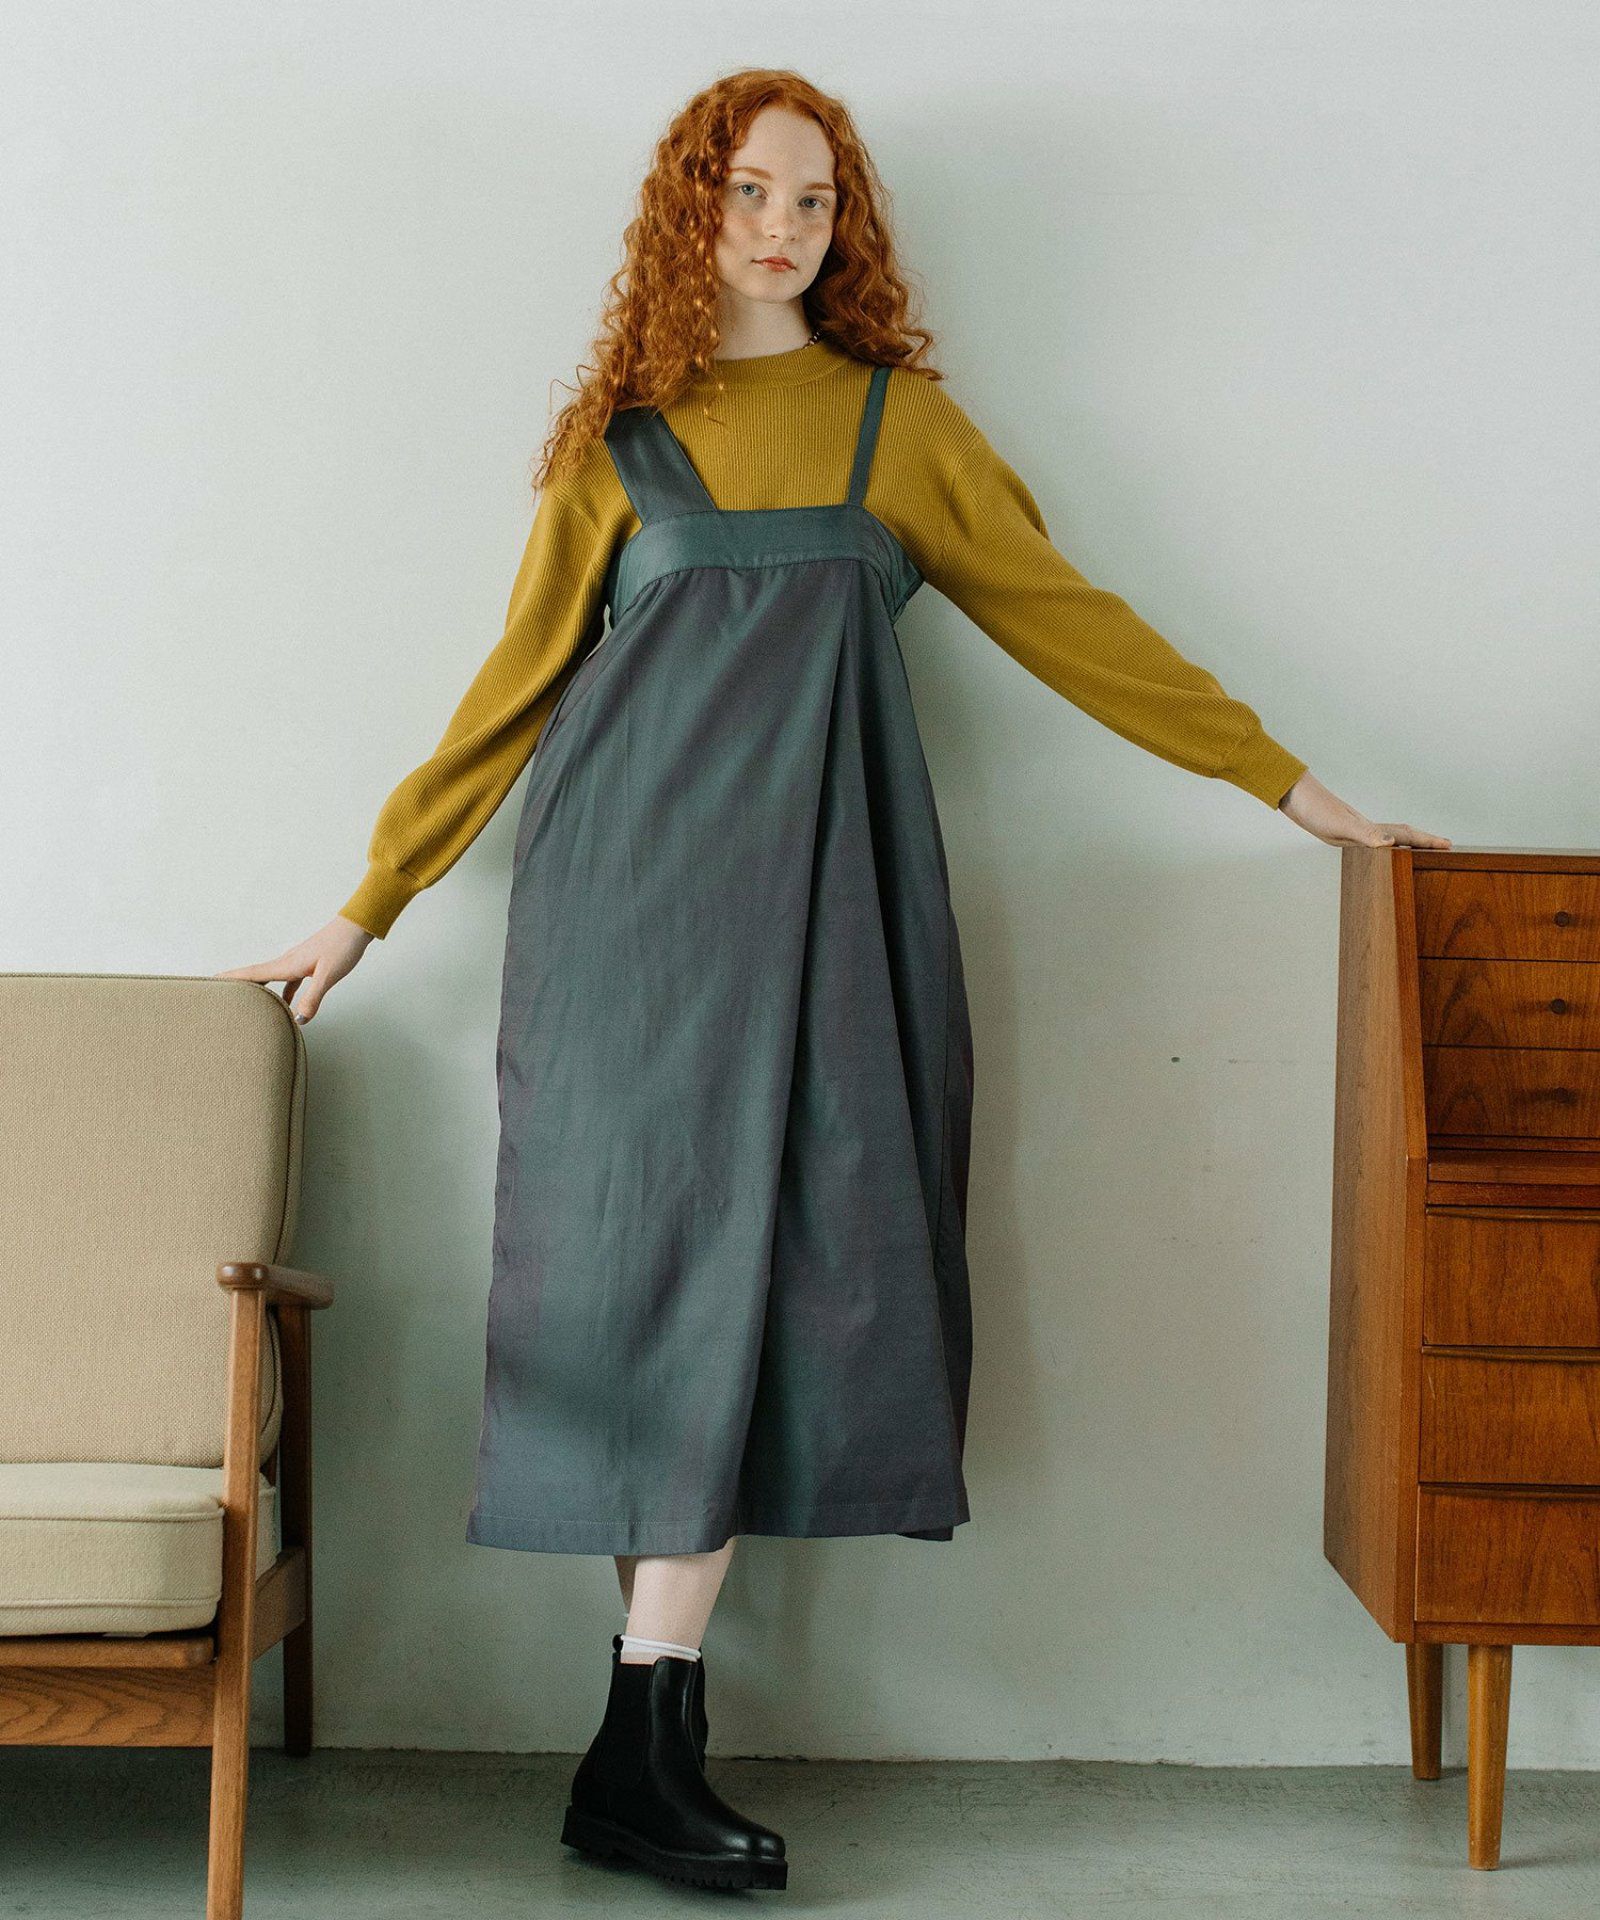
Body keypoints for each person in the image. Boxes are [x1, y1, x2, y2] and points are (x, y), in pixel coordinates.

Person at [221, 68, 1450, 1894]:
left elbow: (1078, 623)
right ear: (690, 211)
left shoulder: (904, 431)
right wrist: (367, 904)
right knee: (637, 1278)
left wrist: (1294, 790)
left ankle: (640, 1738)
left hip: (828, 911)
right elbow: (512, 691)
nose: (781, 227)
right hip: (625, 922)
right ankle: (647, 1739)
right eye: (746, 192)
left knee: (803, 1273)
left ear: (844, 226)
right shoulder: (622, 443)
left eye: (813, 199)